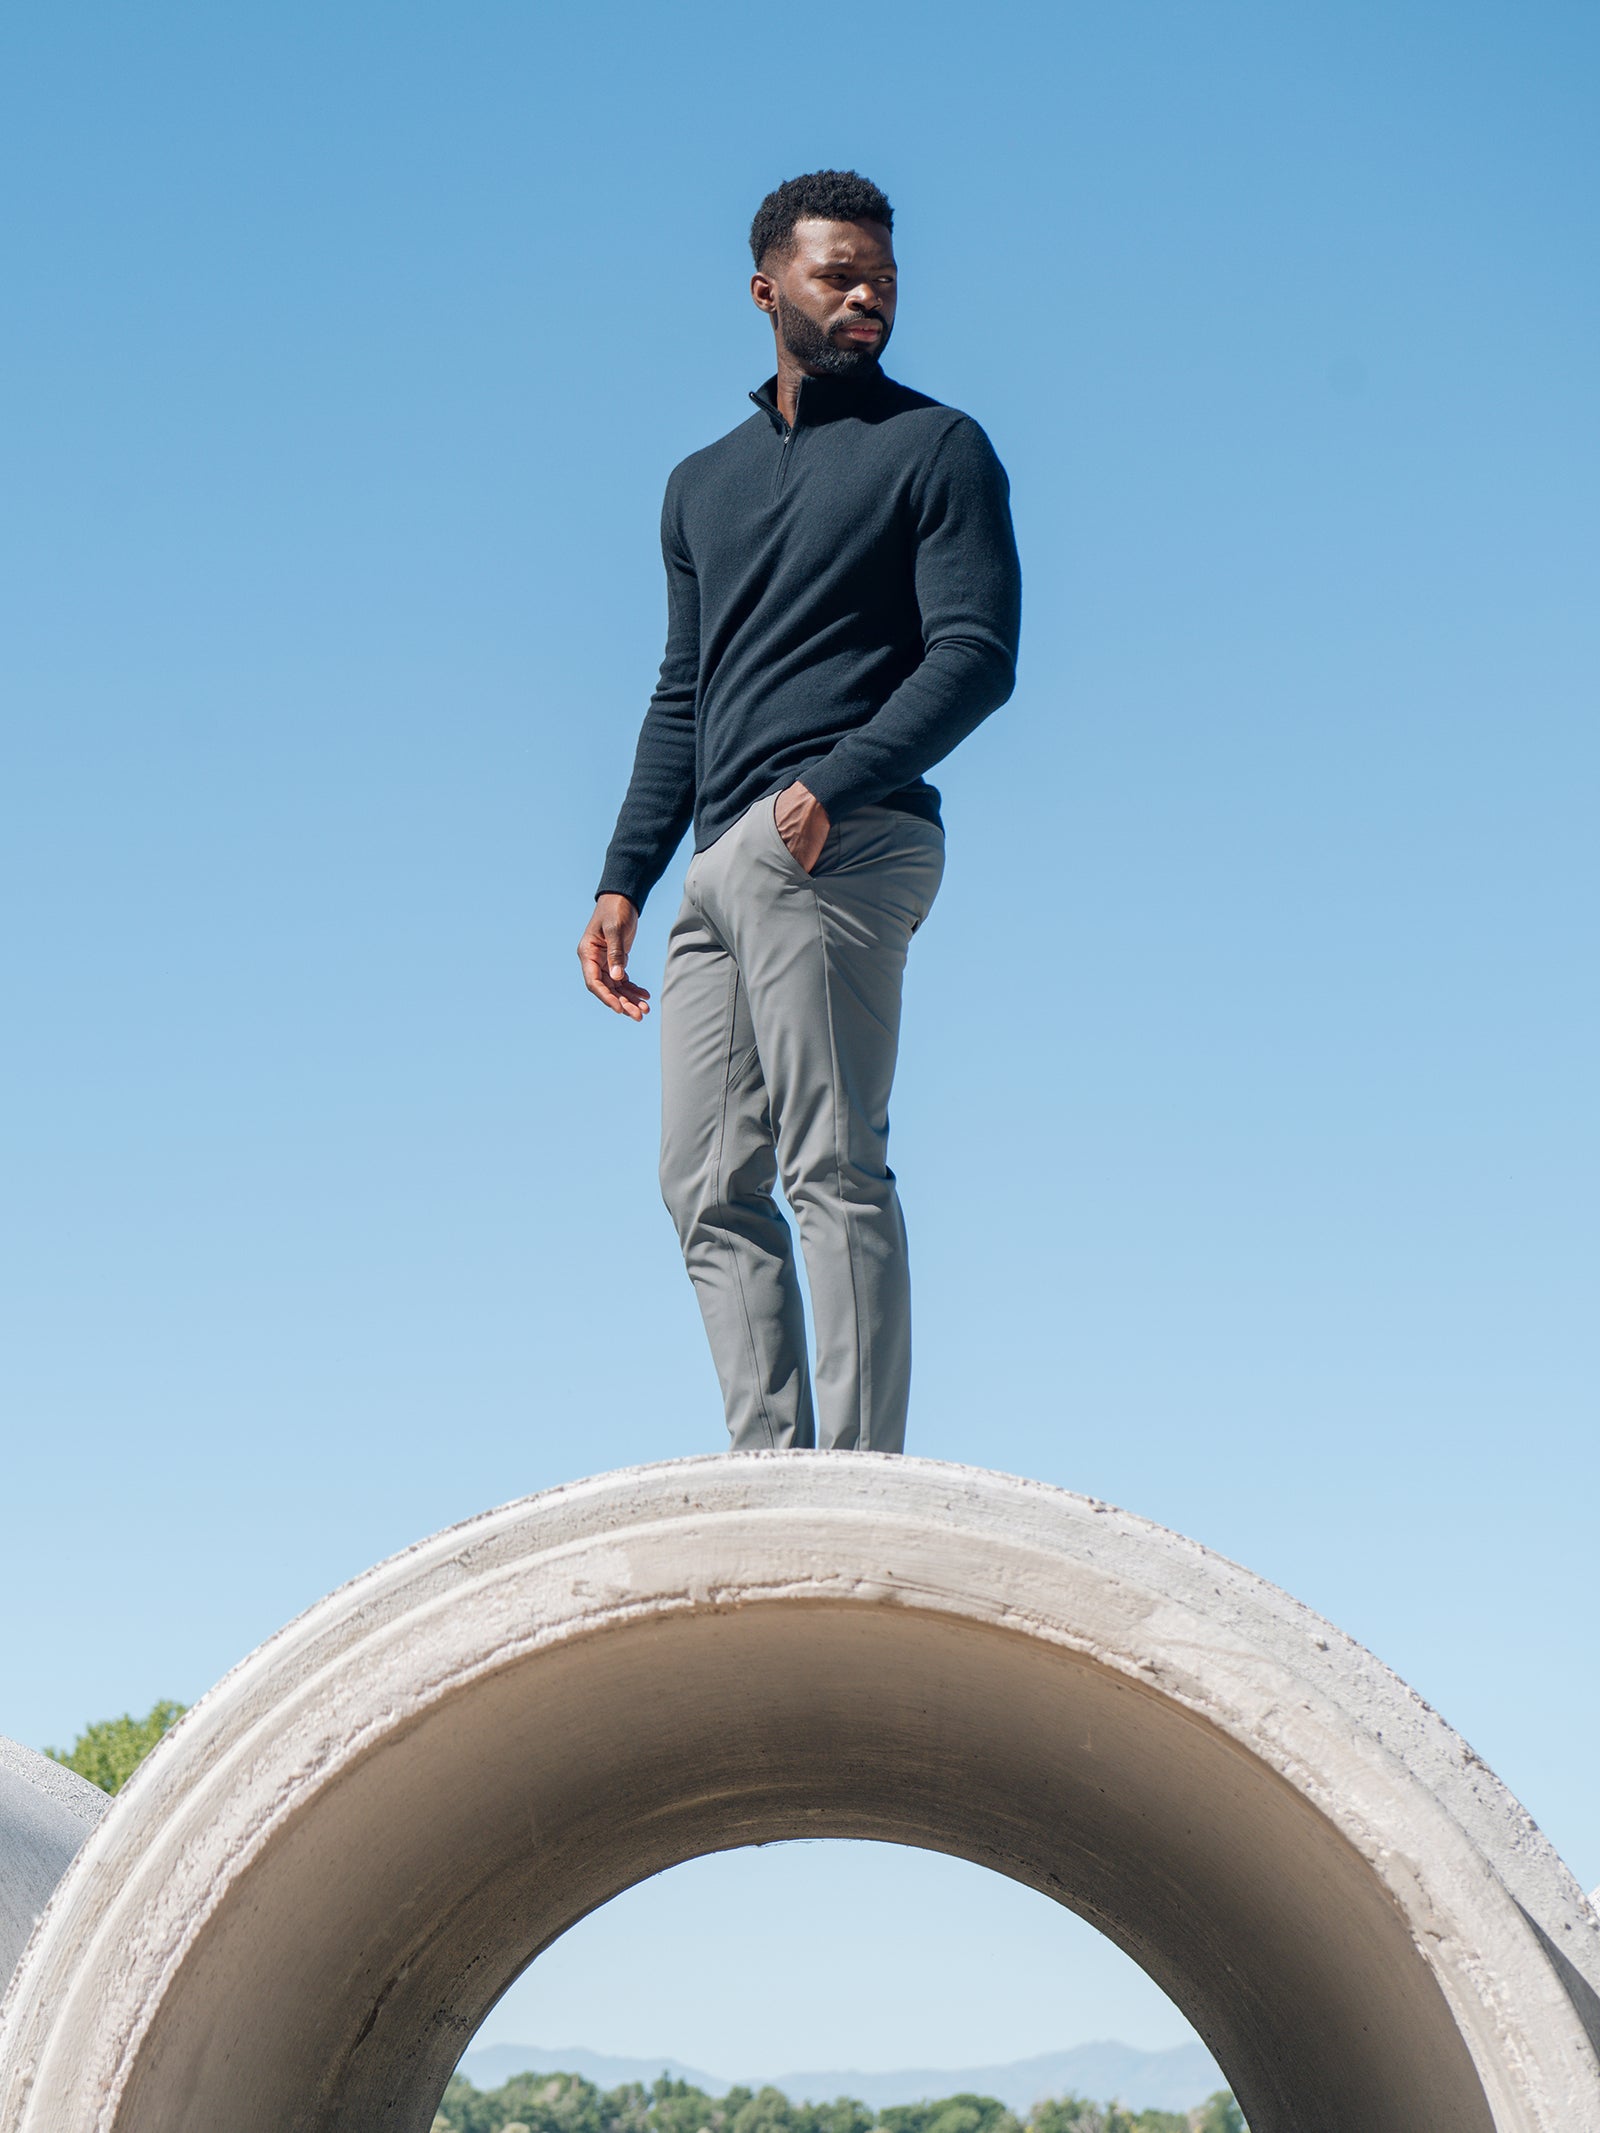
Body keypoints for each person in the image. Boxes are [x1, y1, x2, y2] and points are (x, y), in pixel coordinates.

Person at [578, 168, 1021, 1455]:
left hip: (844, 834)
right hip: (721, 865)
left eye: (881, 273)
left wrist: (824, 792)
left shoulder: (936, 448)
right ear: (768, 288)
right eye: (840, 274)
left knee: (831, 1162)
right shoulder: (697, 483)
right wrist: (624, 875)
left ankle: (865, 1480)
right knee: (706, 1183)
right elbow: (683, 692)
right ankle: (768, 1473)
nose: (868, 294)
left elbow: (977, 654)